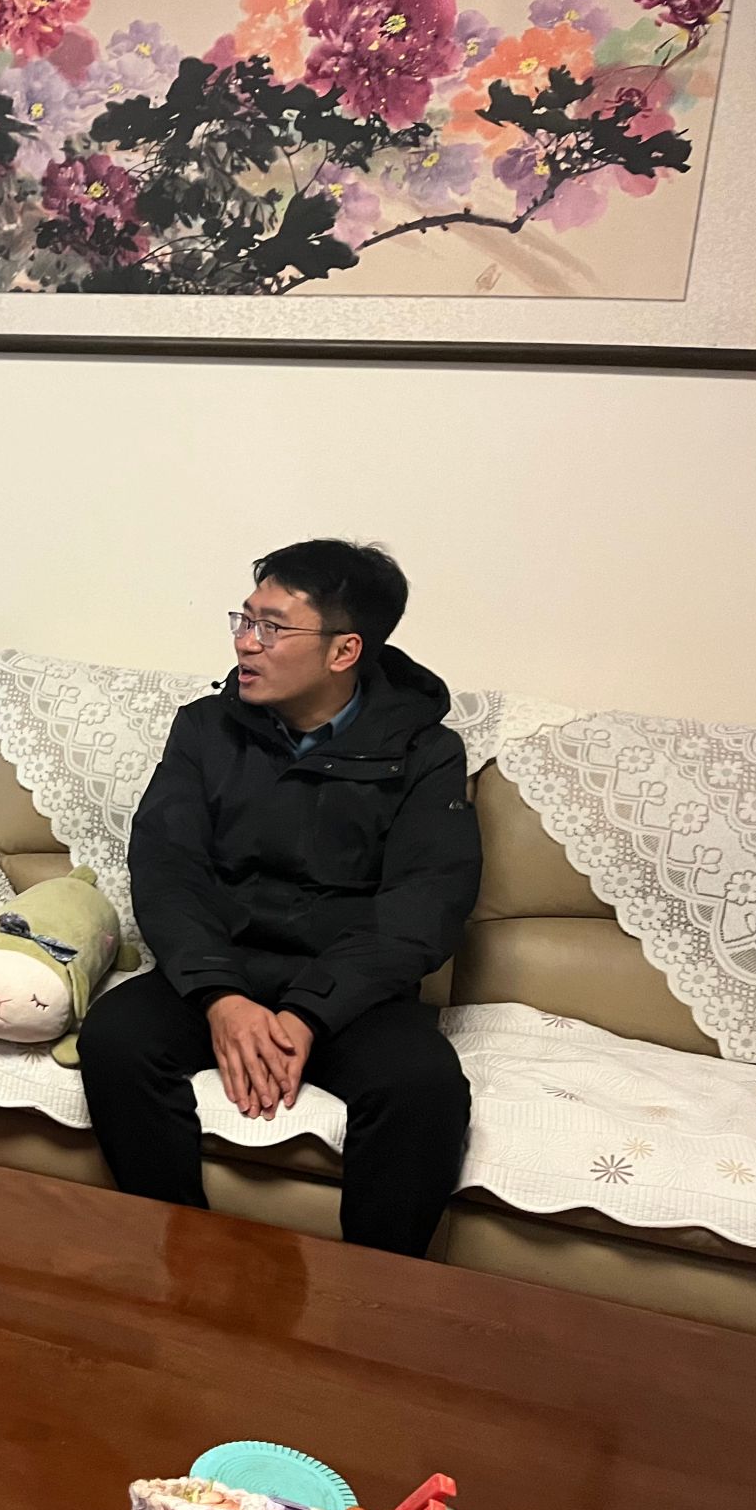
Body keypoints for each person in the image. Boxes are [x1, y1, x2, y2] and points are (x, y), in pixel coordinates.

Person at [77, 539, 480, 1258]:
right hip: (222, 965)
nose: (245, 642)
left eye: (271, 627)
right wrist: (221, 998)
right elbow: (167, 869)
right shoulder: (205, 728)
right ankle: (185, 1259)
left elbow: (426, 903)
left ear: (344, 650)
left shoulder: (424, 752)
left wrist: (309, 1013)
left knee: (424, 1089)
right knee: (115, 1039)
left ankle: (375, 1292)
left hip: (351, 990)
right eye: (244, 619)